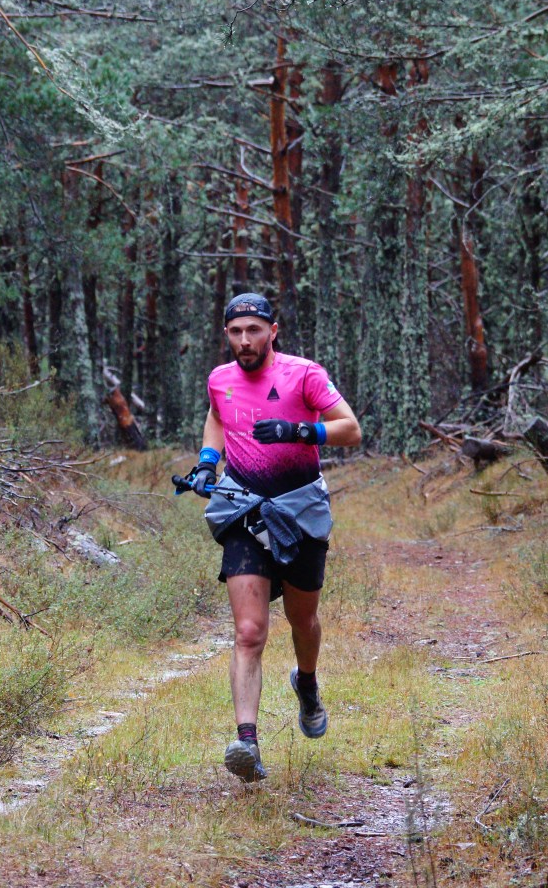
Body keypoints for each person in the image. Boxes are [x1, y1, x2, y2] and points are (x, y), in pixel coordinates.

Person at [189, 292, 361, 783]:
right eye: (236, 332)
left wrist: (298, 431)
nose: (245, 340)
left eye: (254, 330)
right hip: (244, 509)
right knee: (249, 631)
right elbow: (218, 416)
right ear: (227, 335)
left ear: (272, 331)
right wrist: (207, 462)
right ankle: (247, 743)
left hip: (300, 509)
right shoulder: (220, 378)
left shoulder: (304, 374)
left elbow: (350, 429)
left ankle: (306, 683)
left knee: (303, 620)